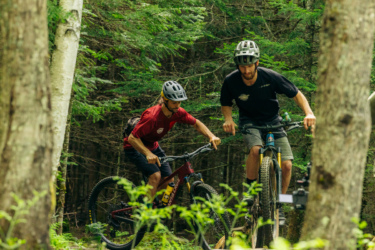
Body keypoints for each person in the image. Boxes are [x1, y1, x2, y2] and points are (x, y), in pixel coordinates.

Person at [220, 40, 316, 220]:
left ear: (256, 63)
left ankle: (278, 204)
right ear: (237, 65)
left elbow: (296, 93)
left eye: (249, 65)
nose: (246, 71)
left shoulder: (270, 76)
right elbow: (226, 102)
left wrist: (309, 113)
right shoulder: (231, 81)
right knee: (256, 150)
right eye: (242, 66)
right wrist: (228, 119)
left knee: (287, 165)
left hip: (273, 121)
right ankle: (249, 191)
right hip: (250, 122)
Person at [123, 80, 221, 206]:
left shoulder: (178, 112)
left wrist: (211, 136)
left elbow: (196, 123)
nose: (177, 105)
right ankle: (143, 215)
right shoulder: (152, 116)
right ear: (164, 100)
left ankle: (146, 202)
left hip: (153, 145)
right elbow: (132, 138)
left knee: (168, 180)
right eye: (174, 102)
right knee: (155, 176)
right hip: (134, 146)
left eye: (179, 102)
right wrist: (147, 153)